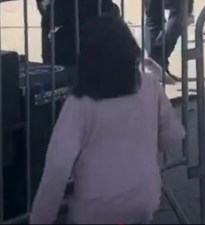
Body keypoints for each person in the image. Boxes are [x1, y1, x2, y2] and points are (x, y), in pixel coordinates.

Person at [29, 15, 185, 225]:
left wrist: (40, 219)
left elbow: (57, 168)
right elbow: (173, 137)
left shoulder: (79, 104)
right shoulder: (149, 86)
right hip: (143, 197)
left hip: (94, 207)